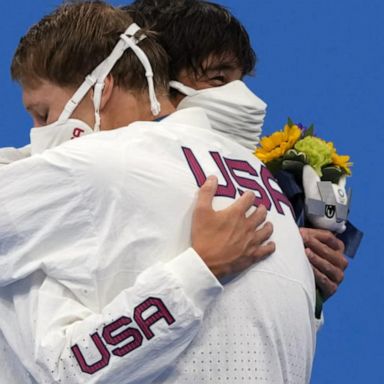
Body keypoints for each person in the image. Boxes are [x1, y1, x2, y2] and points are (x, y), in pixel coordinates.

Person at [0, 2, 315, 383]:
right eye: (219, 78)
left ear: (103, 89)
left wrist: (198, 272)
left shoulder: (99, 163)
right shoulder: (261, 180)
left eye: (44, 115)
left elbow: (64, 373)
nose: (39, 134)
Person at [126, 0, 348, 309]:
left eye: (239, 81)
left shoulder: (255, 182)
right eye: (218, 79)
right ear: (152, 80)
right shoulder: (113, 169)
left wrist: (293, 271)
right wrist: (203, 266)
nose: (243, 98)